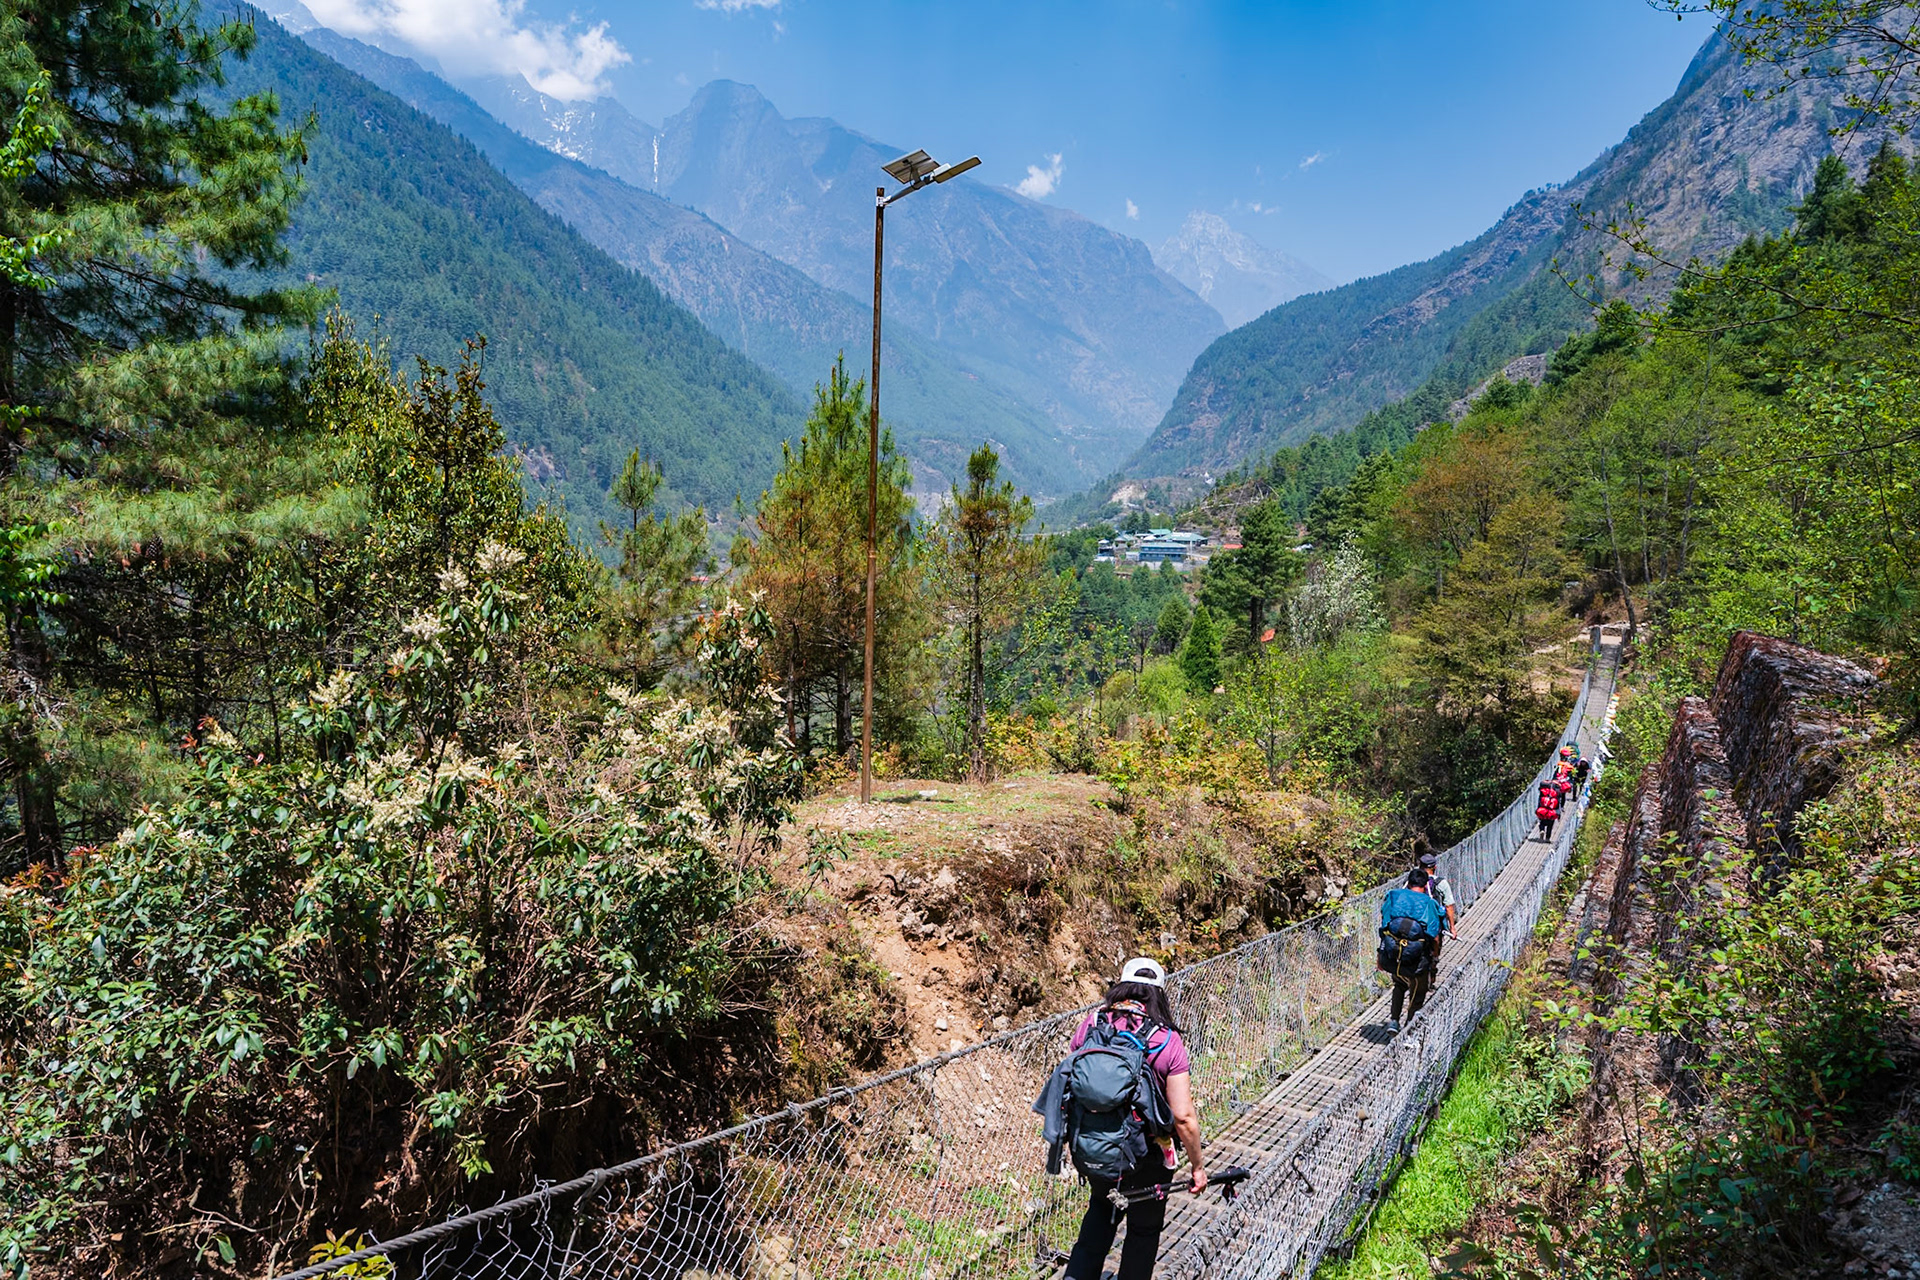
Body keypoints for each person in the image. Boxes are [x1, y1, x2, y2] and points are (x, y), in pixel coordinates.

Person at [1054, 958, 1205, 1280]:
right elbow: (1183, 1117)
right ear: (1159, 995)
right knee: (1144, 1230)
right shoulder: (1166, 1040)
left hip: (1095, 1146)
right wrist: (1197, 1166)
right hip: (1146, 1156)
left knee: (1100, 1213)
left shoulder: (1091, 1025)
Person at [1379, 869, 1446, 1033]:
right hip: (1417, 961)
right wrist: (1435, 955)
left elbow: (1384, 927)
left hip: (1394, 956)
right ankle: (1409, 1027)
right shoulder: (1430, 903)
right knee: (1418, 992)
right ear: (1425, 886)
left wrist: (1380, 956)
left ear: (1408, 883)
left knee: (1399, 984)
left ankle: (1394, 1021)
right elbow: (1434, 935)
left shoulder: (1394, 896)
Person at [1418, 852, 1458, 942]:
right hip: (1431, 922)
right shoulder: (1441, 883)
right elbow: (1449, 906)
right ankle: (1435, 955)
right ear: (1435, 867)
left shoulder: (1411, 881)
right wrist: (1452, 928)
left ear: (1420, 866)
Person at [1536, 777, 1562, 842]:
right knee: (1550, 825)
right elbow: (1558, 803)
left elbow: (1540, 802)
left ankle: (1542, 830)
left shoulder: (1543, 792)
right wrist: (1558, 814)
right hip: (1552, 811)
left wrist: (1538, 810)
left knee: (1542, 821)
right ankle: (1547, 838)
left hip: (1543, 809)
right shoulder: (1556, 793)